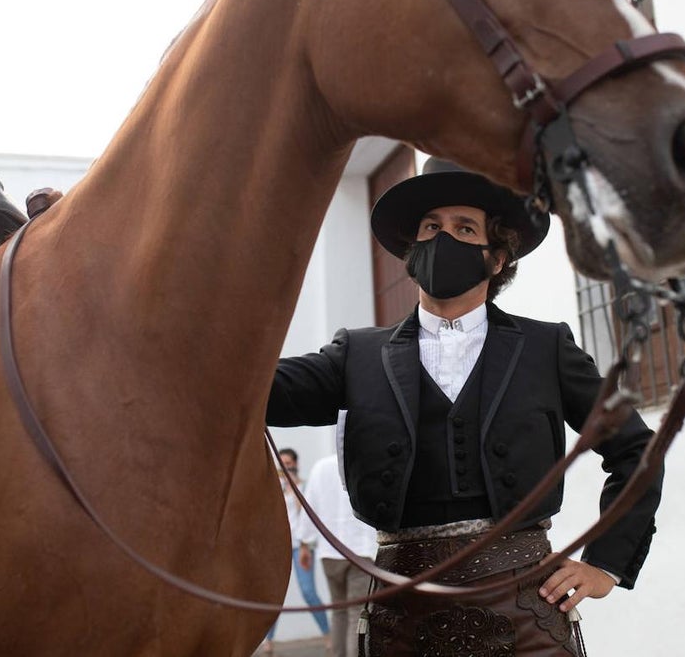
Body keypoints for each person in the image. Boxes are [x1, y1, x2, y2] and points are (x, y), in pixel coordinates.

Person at [267, 157, 663, 656]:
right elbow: (255, 391)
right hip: (402, 618)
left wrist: (604, 564)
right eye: (431, 227)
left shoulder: (545, 347)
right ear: (412, 251)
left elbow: (637, 449)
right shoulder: (356, 356)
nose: (442, 238)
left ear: (496, 258)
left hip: (527, 611)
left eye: (463, 228)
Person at [295, 416, 379, 657]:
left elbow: (310, 508)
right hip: (360, 551)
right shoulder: (365, 465)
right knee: (356, 614)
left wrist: (304, 545)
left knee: (339, 612)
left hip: (329, 553)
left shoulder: (320, 468)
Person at [263, 448, 331, 655]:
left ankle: (327, 633)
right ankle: (268, 640)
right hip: (278, 549)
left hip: (300, 546)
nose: (286, 467)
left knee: (309, 592)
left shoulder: (305, 487)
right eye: (282, 463)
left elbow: (308, 517)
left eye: (289, 463)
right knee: (272, 598)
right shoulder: (274, 490)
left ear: (296, 464)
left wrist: (294, 491)